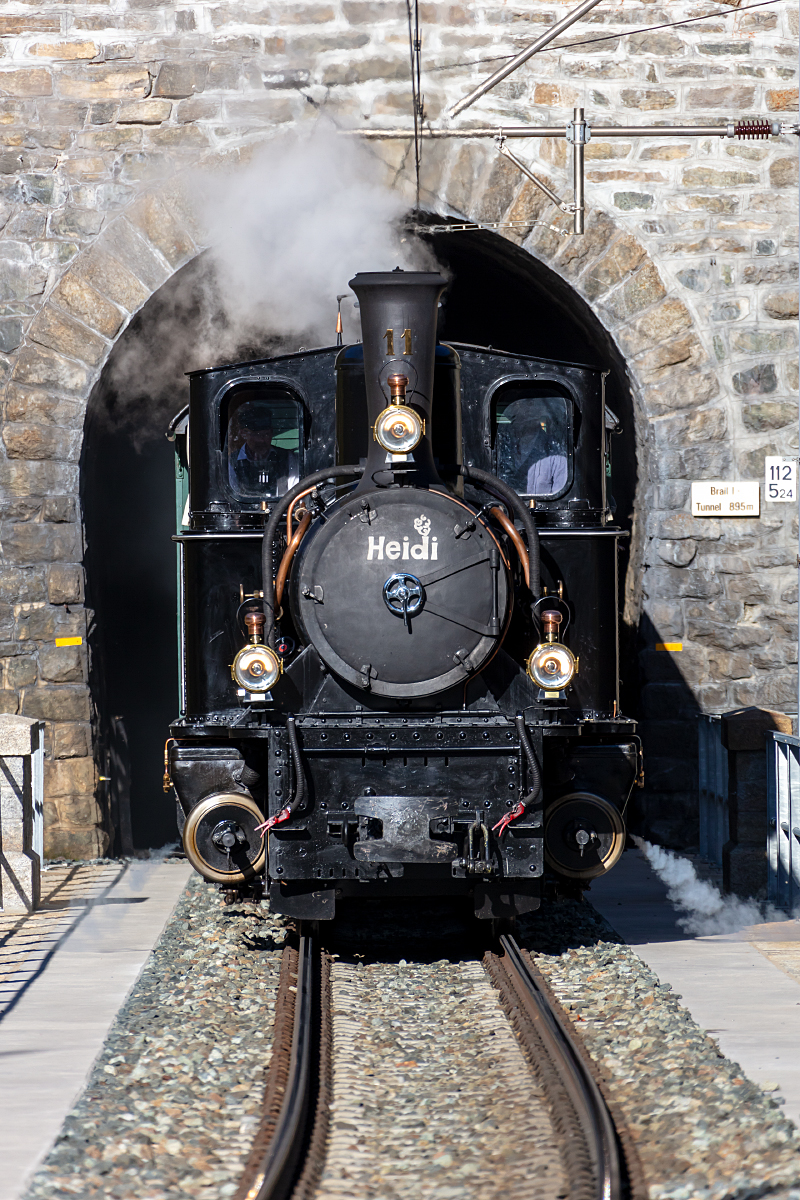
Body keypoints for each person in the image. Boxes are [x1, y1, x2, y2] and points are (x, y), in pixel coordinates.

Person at [228, 404, 300, 497]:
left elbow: (295, 493)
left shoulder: (288, 458)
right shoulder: (232, 462)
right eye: (257, 434)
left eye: (266, 434)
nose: (262, 440)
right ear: (243, 433)